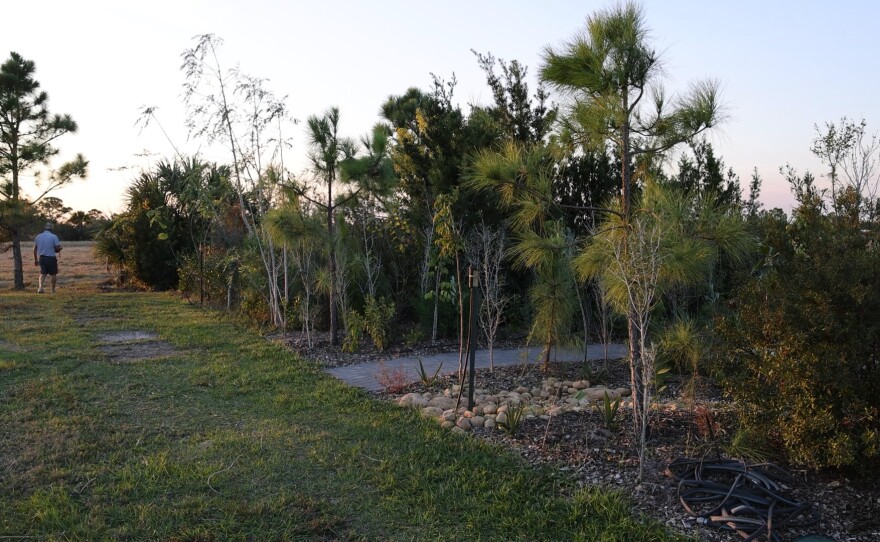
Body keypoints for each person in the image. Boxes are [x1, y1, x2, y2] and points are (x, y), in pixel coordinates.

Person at [33, 222, 62, 293]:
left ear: (45, 228)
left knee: (43, 274)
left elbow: (35, 249)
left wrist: (35, 259)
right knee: (53, 274)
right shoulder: (54, 237)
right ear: (51, 229)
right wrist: (60, 248)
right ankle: (53, 290)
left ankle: (40, 288)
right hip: (51, 258)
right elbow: (57, 248)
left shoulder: (38, 236)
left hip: (42, 258)